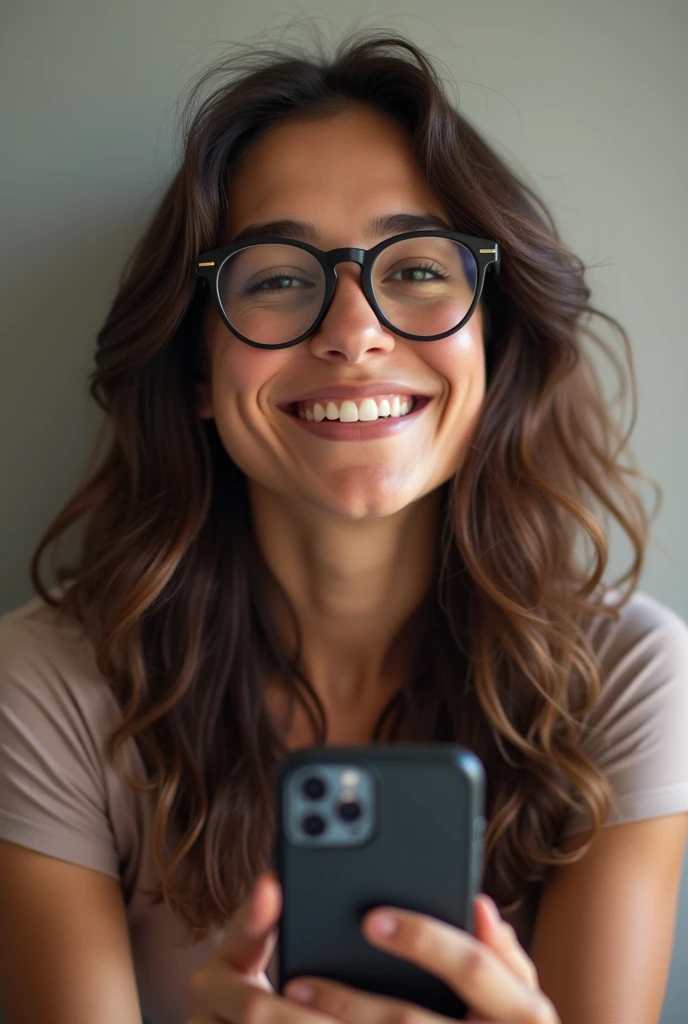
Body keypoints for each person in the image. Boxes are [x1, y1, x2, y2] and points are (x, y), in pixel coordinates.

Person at [0, 30, 687, 1024]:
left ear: (492, 343)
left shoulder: (628, 678)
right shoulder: (46, 686)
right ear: (196, 368)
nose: (354, 328)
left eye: (416, 268)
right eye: (276, 276)